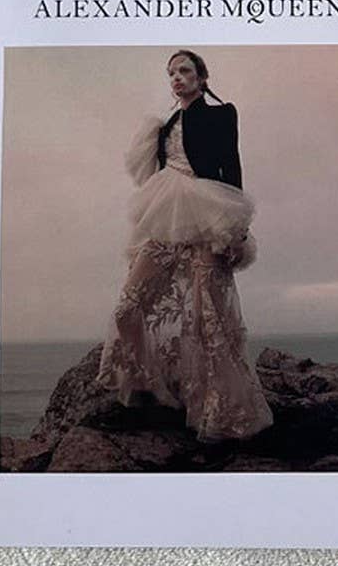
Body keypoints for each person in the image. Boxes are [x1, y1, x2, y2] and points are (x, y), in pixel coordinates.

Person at [95, 50, 273, 441]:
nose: (176, 77)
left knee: (208, 318)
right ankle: (149, 387)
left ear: (201, 78)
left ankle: (222, 413)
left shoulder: (221, 114)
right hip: (165, 215)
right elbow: (152, 171)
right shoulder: (163, 127)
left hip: (210, 215)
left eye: (185, 70)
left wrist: (237, 228)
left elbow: (231, 166)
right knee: (128, 306)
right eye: (171, 73)